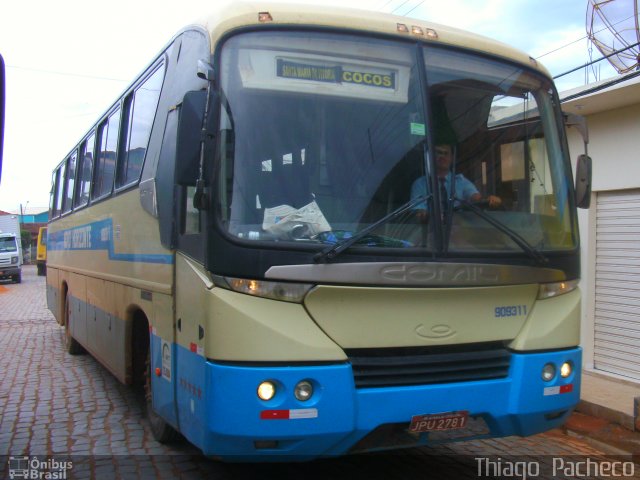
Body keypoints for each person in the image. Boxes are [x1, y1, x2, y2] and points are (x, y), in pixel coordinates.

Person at [410, 143, 501, 222]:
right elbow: (419, 213)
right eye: (438, 152)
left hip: (458, 232)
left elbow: (476, 198)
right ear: (430, 156)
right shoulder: (420, 184)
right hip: (431, 233)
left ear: (451, 158)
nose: (442, 156)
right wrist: (425, 215)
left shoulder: (461, 181)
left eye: (446, 153)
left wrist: (488, 200)